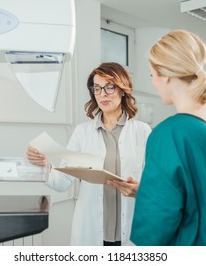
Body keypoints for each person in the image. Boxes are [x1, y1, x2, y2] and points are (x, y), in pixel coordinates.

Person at [27, 62, 151, 246]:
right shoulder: (82, 132)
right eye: (97, 88)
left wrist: (140, 189)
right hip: (92, 231)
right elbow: (63, 182)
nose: (103, 94)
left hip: (132, 229)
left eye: (110, 87)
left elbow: (155, 181)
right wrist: (45, 165)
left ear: (123, 89)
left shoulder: (143, 131)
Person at [130, 30, 206, 246]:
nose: (153, 82)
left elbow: (156, 222)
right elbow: (202, 190)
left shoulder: (168, 133)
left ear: (165, 75)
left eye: (152, 75)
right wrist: (146, 190)